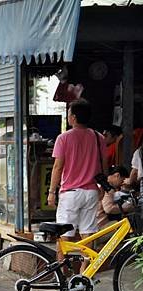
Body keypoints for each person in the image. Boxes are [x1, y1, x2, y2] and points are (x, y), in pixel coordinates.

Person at [48, 99, 107, 270]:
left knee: (64, 234)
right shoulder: (98, 137)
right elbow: (103, 164)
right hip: (91, 191)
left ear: (73, 117)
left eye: (68, 114)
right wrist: (103, 187)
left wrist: (52, 191)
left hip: (70, 193)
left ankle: (61, 270)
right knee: (88, 233)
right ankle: (84, 271)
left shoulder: (63, 138)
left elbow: (58, 167)